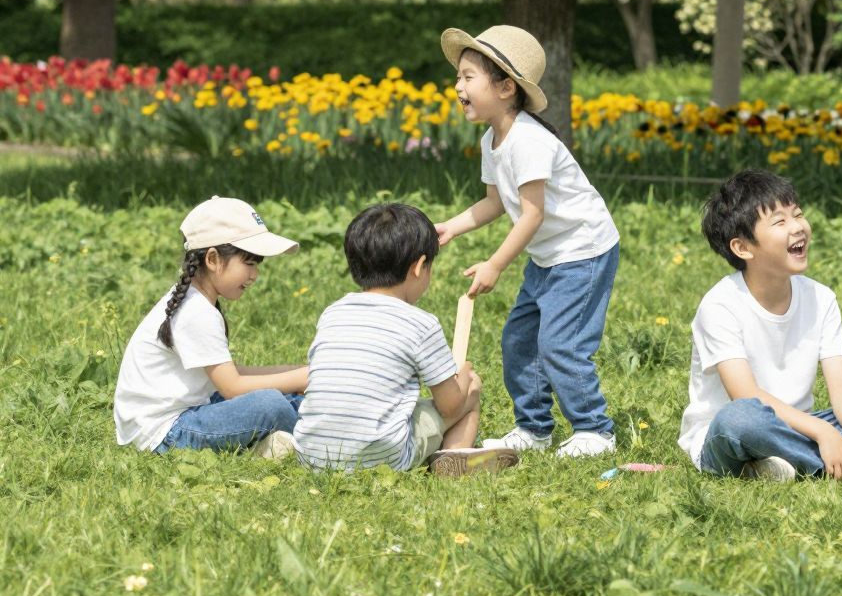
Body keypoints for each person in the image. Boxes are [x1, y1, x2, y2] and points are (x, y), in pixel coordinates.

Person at [677, 169, 842, 481]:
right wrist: (823, 433)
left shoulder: (821, 298)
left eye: (798, 214)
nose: (798, 228)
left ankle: (788, 465)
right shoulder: (720, 305)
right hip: (730, 434)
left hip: (798, 425)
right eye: (780, 222)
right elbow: (746, 395)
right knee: (741, 420)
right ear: (743, 248)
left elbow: (841, 383)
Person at [434, 24, 621, 458]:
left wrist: (495, 263)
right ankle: (534, 428)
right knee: (519, 339)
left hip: (583, 251)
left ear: (504, 87)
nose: (457, 86)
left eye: (467, 76)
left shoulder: (529, 141)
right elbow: (495, 203)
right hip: (548, 256)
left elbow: (532, 214)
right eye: (458, 77)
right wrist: (451, 227)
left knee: (561, 342)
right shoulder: (492, 139)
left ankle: (595, 429)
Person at [295, 202, 517, 476]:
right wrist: (464, 374)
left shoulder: (333, 313)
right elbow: (450, 404)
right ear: (419, 266)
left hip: (310, 455)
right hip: (382, 460)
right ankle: (454, 458)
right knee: (470, 390)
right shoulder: (420, 324)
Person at [113, 197, 307, 457]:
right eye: (249, 263)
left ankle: (273, 440)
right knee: (270, 403)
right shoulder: (196, 312)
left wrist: (295, 372)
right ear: (213, 259)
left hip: (194, 407)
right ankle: (320, 436)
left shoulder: (197, 301)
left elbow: (227, 374)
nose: (255, 275)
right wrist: (303, 377)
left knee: (283, 399)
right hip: (167, 432)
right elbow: (232, 387)